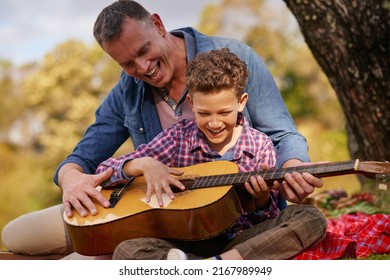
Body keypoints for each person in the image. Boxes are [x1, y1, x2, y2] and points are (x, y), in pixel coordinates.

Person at [1, 0, 323, 259]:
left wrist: (291, 168)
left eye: (143, 51)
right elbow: (86, 158)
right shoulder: (131, 91)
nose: (142, 69)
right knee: (17, 236)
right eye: (127, 63)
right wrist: (72, 179)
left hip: (234, 225)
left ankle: (210, 266)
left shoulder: (234, 58)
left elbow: (282, 135)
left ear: (158, 25)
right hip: (153, 218)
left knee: (89, 262)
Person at [96, 48, 327, 260]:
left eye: (224, 112)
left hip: (239, 243)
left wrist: (261, 200)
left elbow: (268, 219)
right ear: (191, 103)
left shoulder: (260, 145)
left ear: (241, 102)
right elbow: (104, 171)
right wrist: (141, 164)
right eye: (204, 113)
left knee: (311, 218)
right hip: (185, 244)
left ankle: (215, 266)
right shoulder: (179, 138)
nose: (214, 123)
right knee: (127, 251)